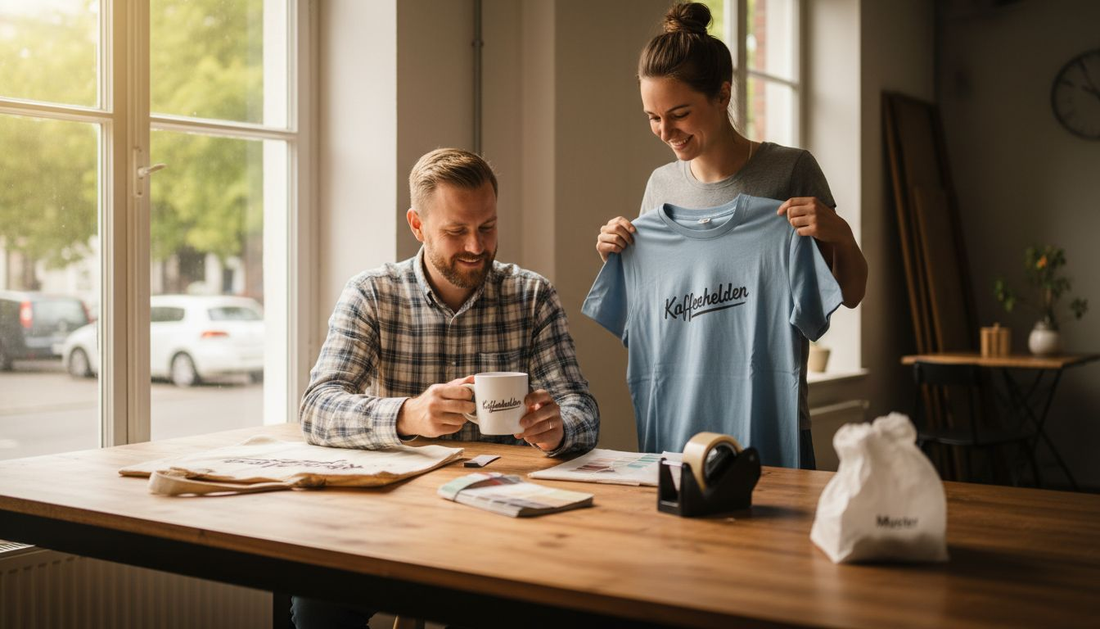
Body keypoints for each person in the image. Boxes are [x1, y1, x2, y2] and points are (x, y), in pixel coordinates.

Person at [293, 148, 600, 628]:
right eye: (456, 231)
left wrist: (558, 428)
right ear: (417, 226)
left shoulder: (531, 296)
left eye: (488, 227)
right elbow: (317, 408)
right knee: (317, 605)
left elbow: (582, 407)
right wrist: (407, 415)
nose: (476, 245)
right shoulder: (372, 294)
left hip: (502, 516)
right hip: (394, 515)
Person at [591, 2, 867, 470]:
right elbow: (656, 299)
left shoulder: (791, 169)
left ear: (723, 95)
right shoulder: (661, 187)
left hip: (772, 425)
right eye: (652, 118)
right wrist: (616, 256)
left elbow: (851, 294)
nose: (665, 132)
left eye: (678, 113)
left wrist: (839, 234)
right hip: (679, 438)